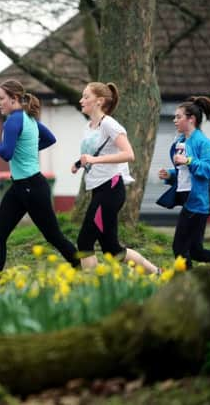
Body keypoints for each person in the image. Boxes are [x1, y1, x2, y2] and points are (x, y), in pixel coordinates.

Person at [0, 79, 80, 278]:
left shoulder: (13, 120)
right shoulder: (29, 119)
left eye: (1, 98)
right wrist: (27, 150)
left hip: (32, 188)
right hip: (20, 187)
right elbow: (49, 139)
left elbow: (6, 154)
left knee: (53, 236)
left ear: (14, 99)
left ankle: (82, 267)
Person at [72, 81, 159, 274]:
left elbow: (129, 154)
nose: (81, 100)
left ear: (99, 101)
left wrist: (94, 160)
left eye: (86, 97)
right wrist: (79, 164)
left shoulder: (109, 124)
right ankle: (157, 273)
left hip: (111, 190)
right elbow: (92, 154)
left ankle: (92, 290)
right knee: (112, 250)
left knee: (84, 242)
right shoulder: (89, 126)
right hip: (99, 190)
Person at [157, 96, 210, 269]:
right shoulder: (180, 142)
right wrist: (170, 175)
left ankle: (185, 283)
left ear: (191, 119)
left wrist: (188, 160)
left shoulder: (204, 143)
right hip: (187, 197)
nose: (174, 120)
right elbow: (184, 173)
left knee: (179, 248)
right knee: (195, 250)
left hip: (199, 202)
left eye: (178, 117)